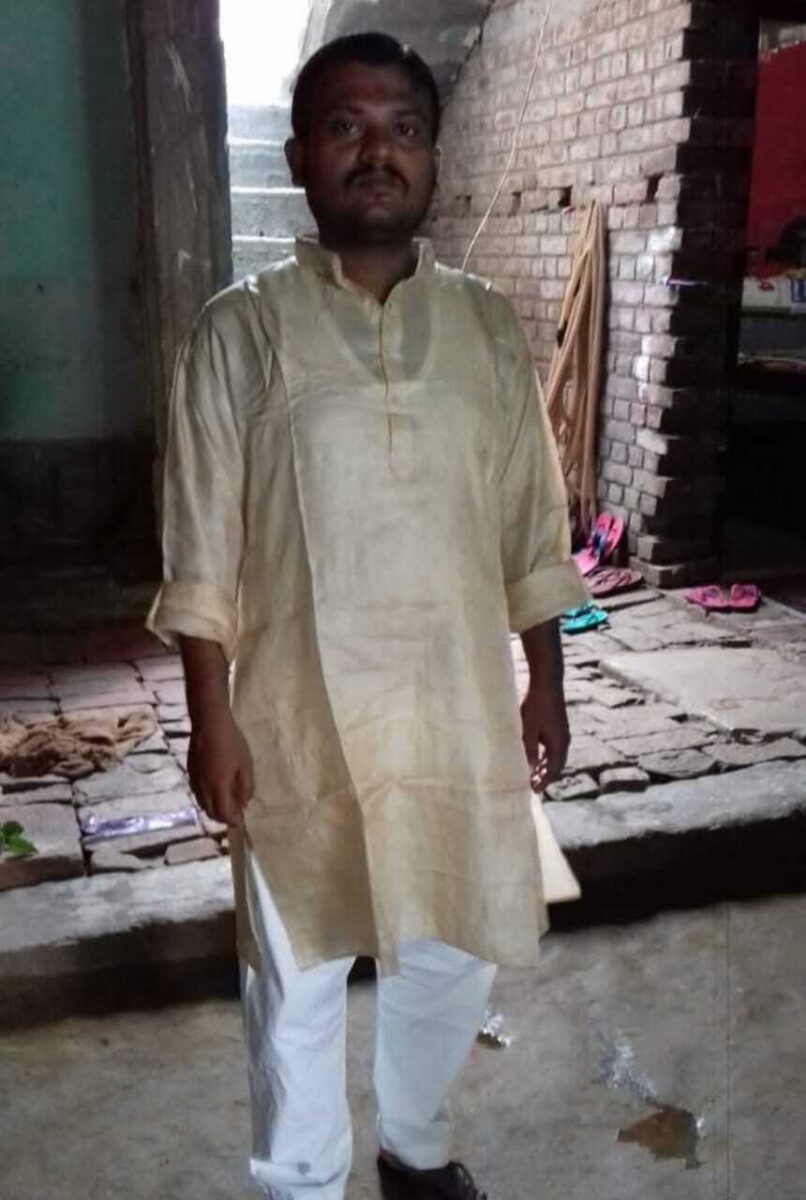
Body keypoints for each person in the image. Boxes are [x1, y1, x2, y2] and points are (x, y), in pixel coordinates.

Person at [148, 31, 588, 1200]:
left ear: (433, 157)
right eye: (345, 127)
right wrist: (210, 718)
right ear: (299, 157)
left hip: (452, 704)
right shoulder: (239, 330)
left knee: (447, 944)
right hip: (294, 714)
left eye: (402, 129)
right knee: (293, 967)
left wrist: (543, 681)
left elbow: (527, 524)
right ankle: (300, 1180)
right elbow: (201, 544)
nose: (376, 152)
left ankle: (414, 1148)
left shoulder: (483, 327)